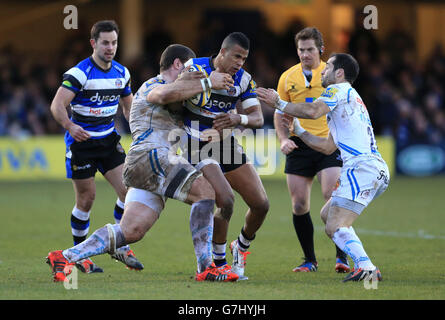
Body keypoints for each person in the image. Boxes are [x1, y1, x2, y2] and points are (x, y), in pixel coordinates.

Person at [46, 44, 239, 283]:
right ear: (178, 65)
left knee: (132, 231)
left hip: (142, 165)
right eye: (193, 68)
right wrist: (208, 82)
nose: (199, 72)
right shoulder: (154, 84)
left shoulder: (183, 93)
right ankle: (206, 267)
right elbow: (163, 95)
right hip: (152, 156)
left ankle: (65, 256)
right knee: (206, 192)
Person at [257, 53, 389, 282]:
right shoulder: (349, 98)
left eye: (328, 67)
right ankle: (362, 264)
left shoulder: (337, 90)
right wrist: (299, 131)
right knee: (327, 214)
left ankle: (367, 267)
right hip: (375, 169)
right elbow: (327, 147)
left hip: (361, 168)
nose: (323, 71)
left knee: (334, 225)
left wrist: (279, 103)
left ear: (339, 73)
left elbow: (312, 111)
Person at [49, 20, 143, 273]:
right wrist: (70, 126)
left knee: (128, 192)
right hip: (82, 144)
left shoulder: (122, 73)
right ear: (93, 43)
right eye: (105, 43)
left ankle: (120, 246)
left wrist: (139, 131)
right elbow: (57, 106)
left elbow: (128, 106)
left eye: (114, 42)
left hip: (109, 140)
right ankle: (79, 256)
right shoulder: (79, 73)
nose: (110, 47)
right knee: (86, 199)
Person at [182, 32, 269, 280]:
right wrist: (204, 83)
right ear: (222, 52)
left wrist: (237, 118)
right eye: (236, 56)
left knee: (261, 204)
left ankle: (239, 247)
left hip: (225, 143)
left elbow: (258, 118)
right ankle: (219, 264)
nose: (240, 62)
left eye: (244, 58)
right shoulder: (194, 67)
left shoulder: (243, 79)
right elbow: (172, 92)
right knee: (226, 200)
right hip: (195, 142)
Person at [273, 27, 348, 273]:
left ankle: (342, 258)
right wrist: (283, 139)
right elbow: (280, 113)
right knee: (298, 205)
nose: (305, 54)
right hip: (299, 144)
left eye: (310, 50)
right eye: (301, 50)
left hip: (327, 143)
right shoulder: (287, 78)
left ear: (320, 50)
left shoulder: (332, 74)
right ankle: (309, 260)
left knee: (331, 193)